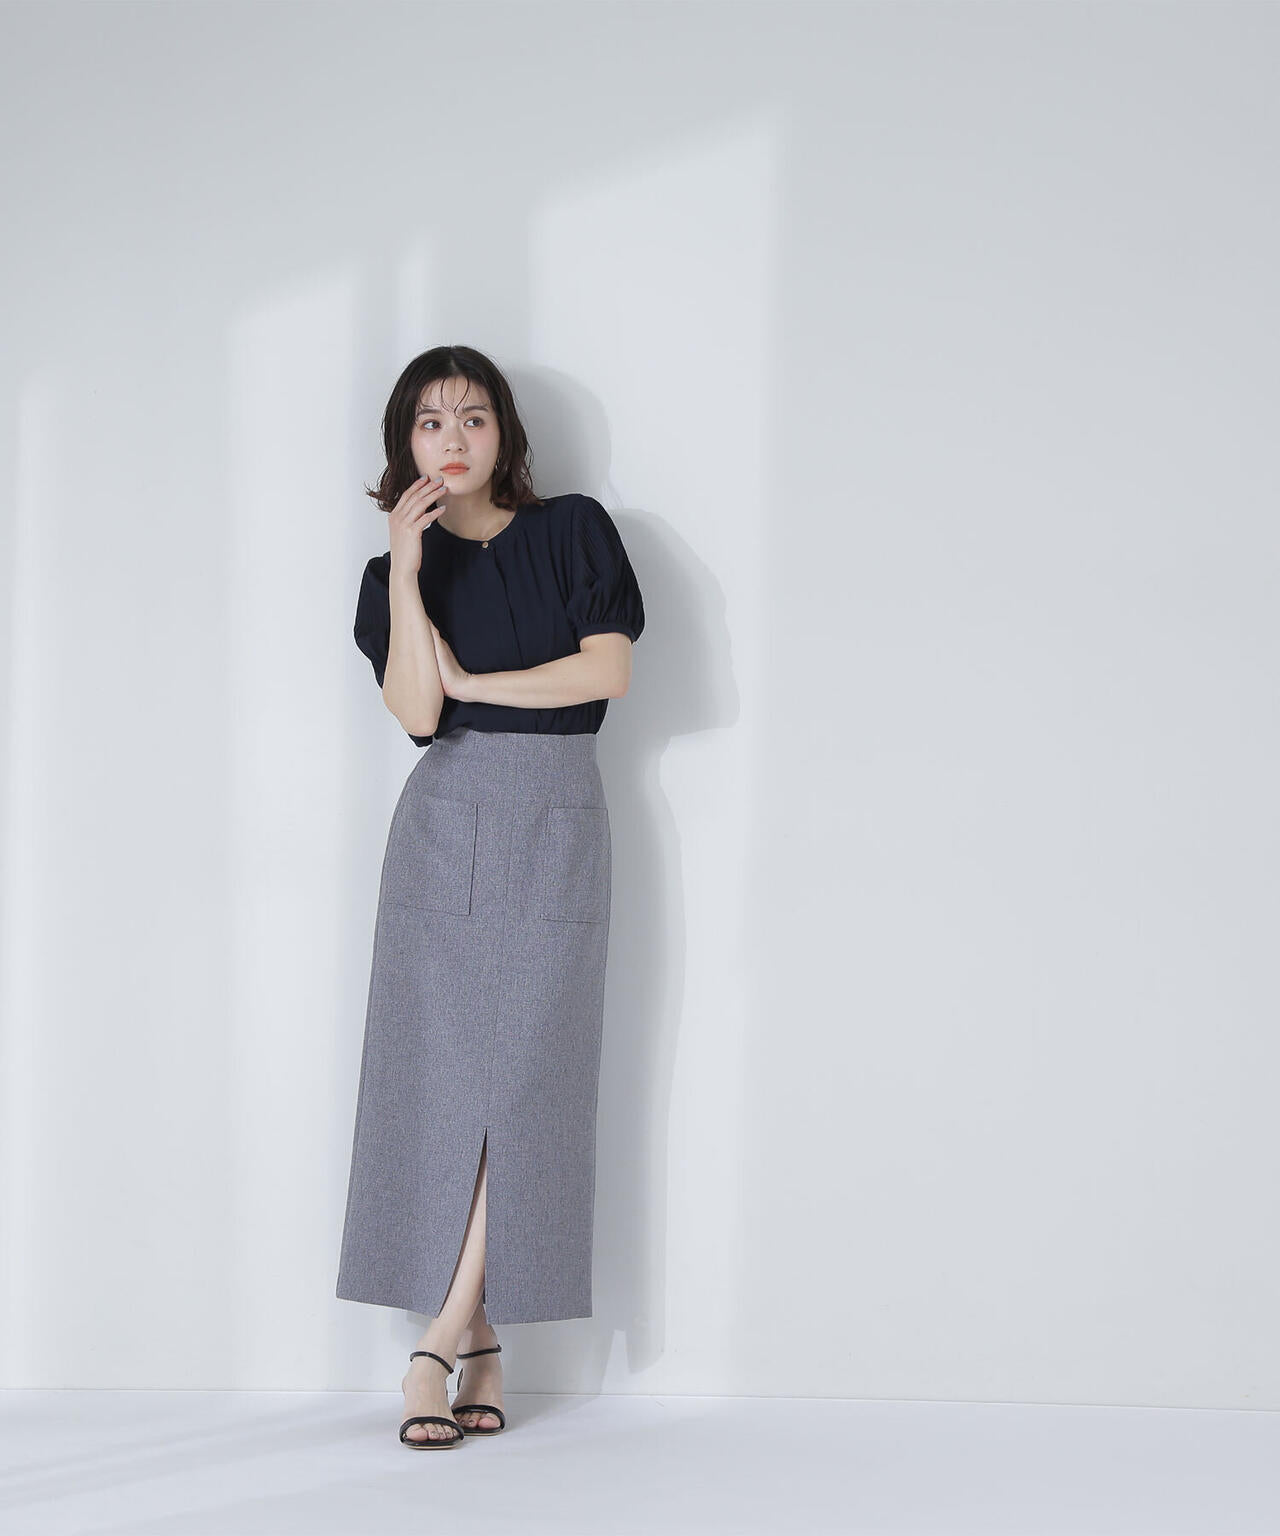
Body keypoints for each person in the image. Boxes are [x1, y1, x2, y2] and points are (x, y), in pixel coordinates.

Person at [335, 345, 645, 1448]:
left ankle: (436, 1342)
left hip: (555, 817)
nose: (453, 438)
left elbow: (607, 670)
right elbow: (419, 715)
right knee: (438, 1084)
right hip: (442, 825)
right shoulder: (391, 577)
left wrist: (481, 681)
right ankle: (485, 1347)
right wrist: (406, 567)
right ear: (403, 445)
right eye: (429, 422)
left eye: (472, 416)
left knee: (522, 1088)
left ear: (504, 430)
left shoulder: (573, 531)